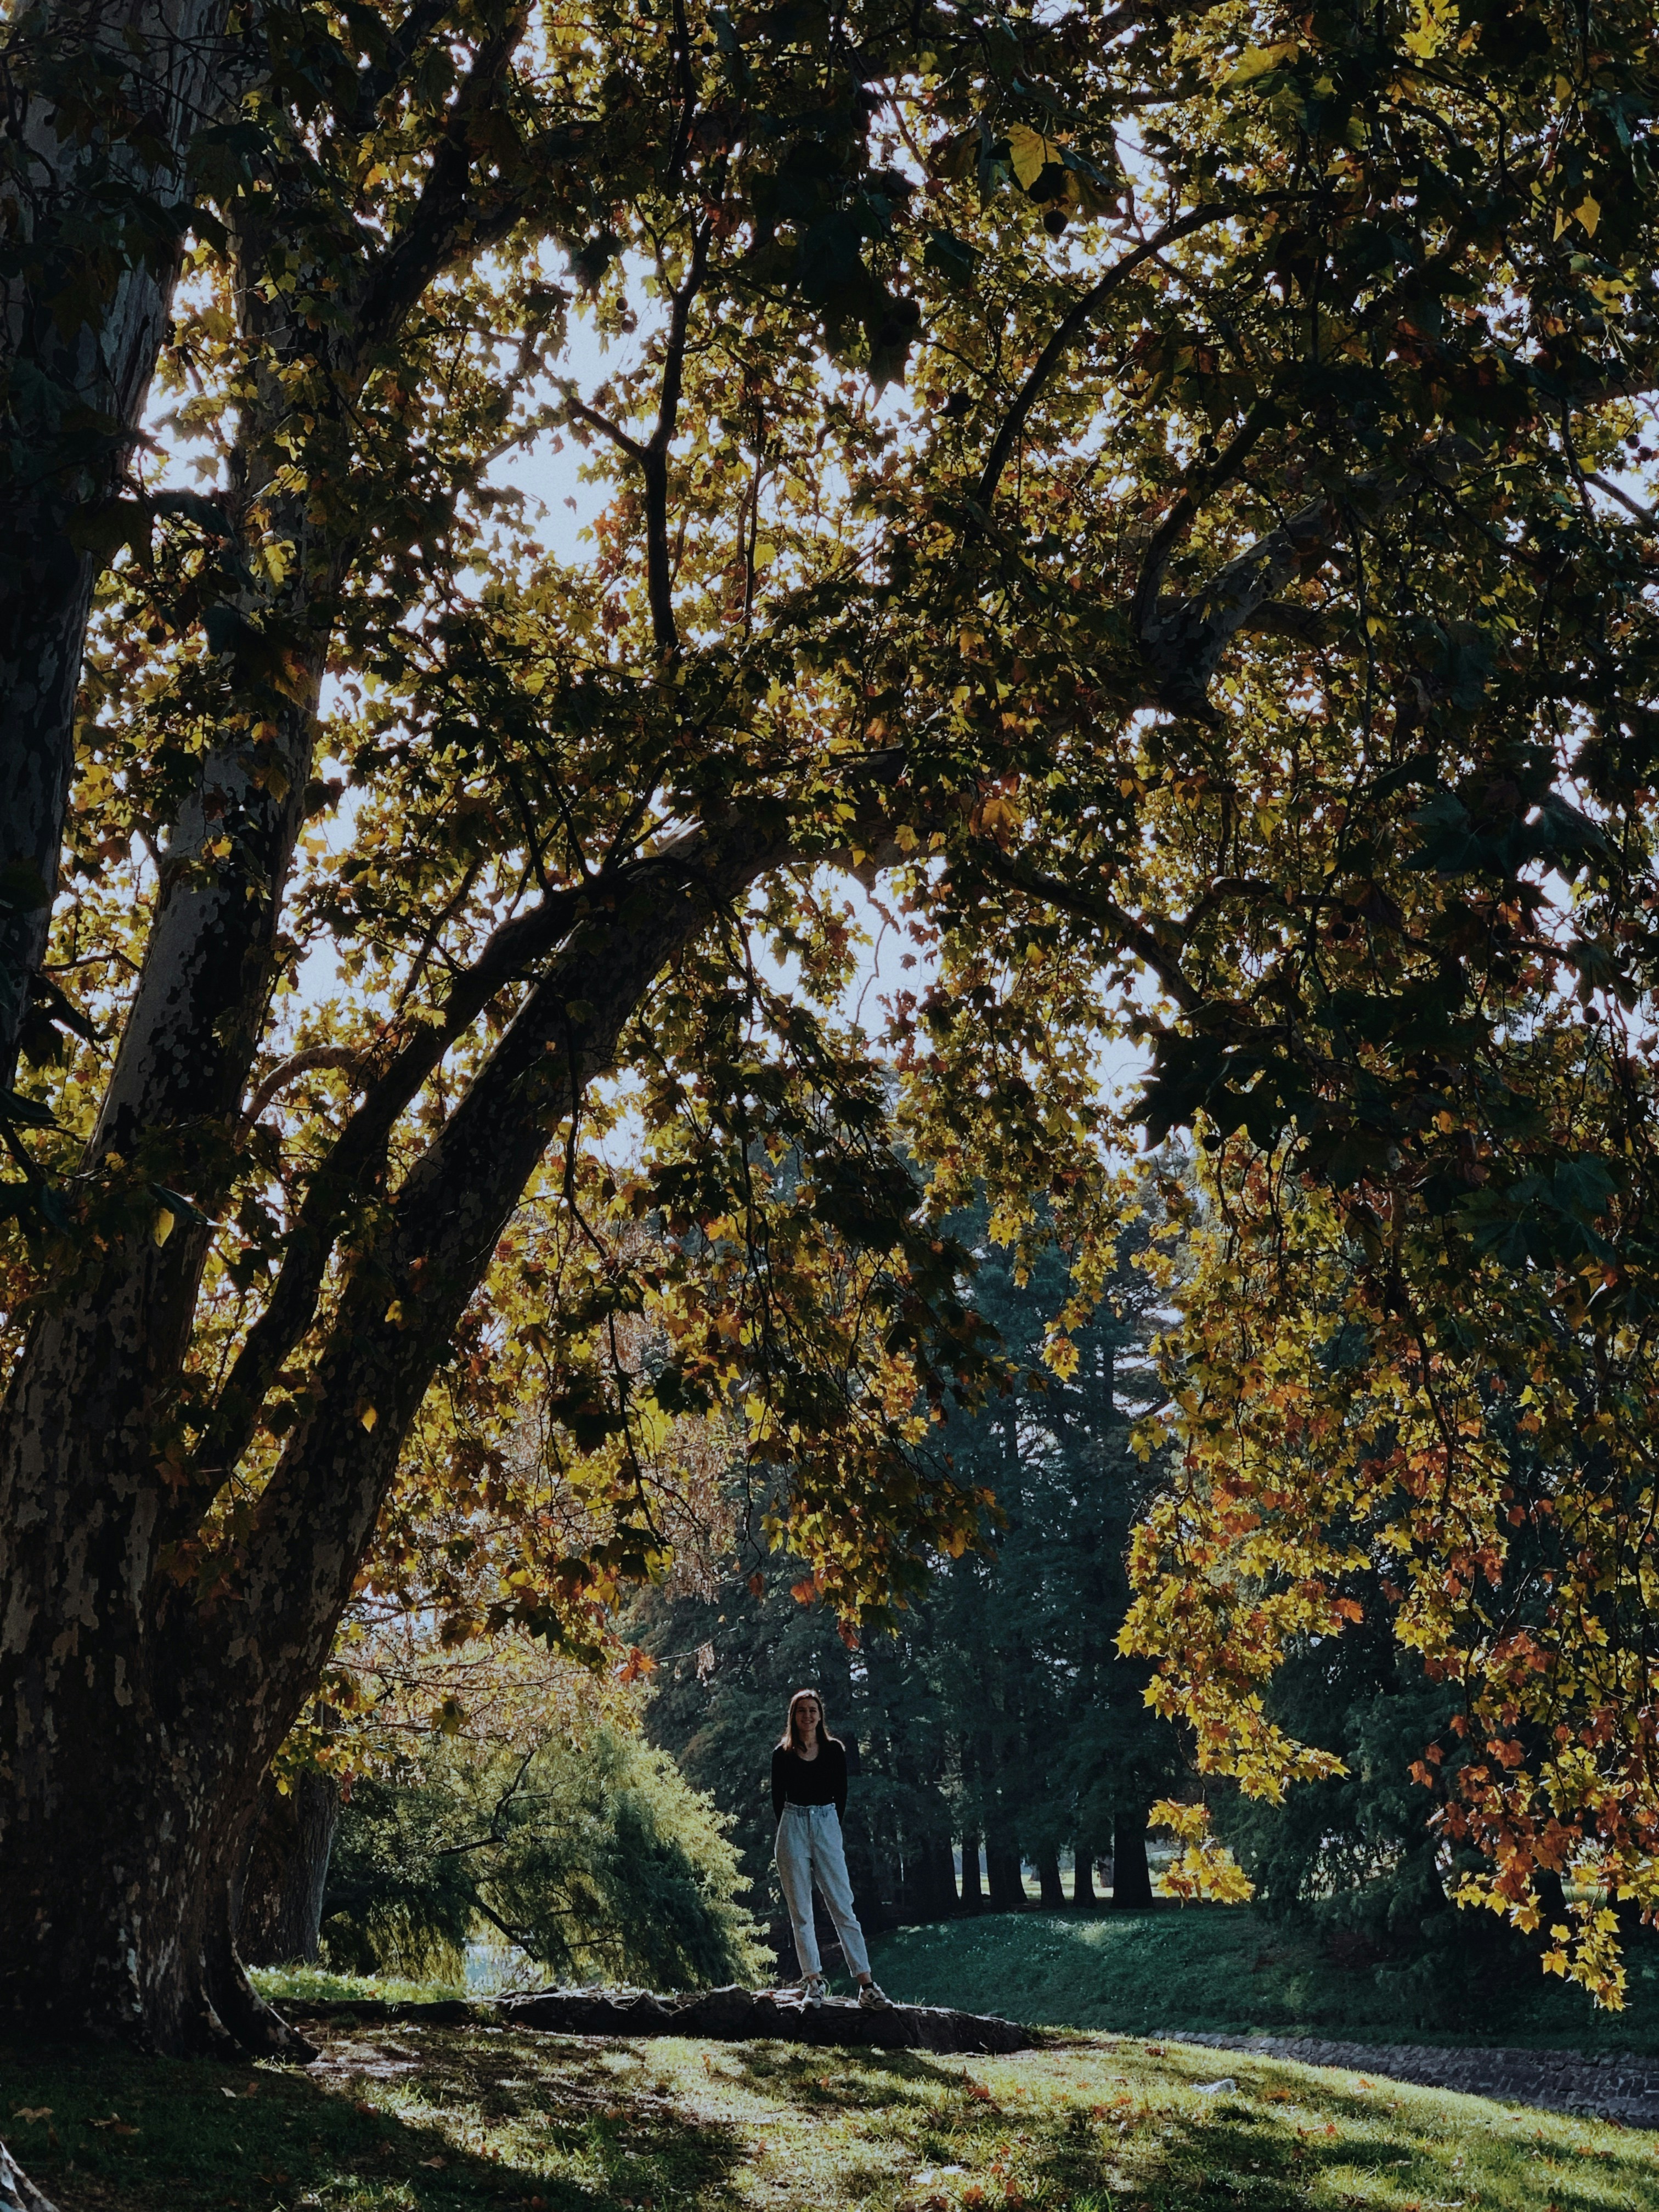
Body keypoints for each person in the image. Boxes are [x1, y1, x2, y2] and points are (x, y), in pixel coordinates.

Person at [771, 1686, 891, 2008]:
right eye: (801, 1711)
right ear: (793, 1717)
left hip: (826, 1823)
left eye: (813, 1710)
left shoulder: (835, 1751)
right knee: (802, 1912)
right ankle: (814, 1982)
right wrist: (797, 1825)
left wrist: (826, 1826)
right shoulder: (781, 1754)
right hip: (792, 1825)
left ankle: (866, 1985)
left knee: (843, 1906)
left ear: (820, 1715)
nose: (807, 1716)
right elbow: (776, 1800)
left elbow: (842, 1794)